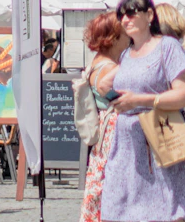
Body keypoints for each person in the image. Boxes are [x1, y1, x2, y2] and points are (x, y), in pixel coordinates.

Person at [100, 0, 185, 222]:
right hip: (125, 146)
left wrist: (141, 100)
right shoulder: (127, 53)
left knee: (160, 212)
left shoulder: (167, 47)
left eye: (132, 13)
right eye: (122, 15)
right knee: (118, 212)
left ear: (150, 15)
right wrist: (111, 94)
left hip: (157, 140)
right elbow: (108, 83)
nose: (126, 19)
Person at [78, 13, 125, 222]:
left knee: (101, 186)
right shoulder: (111, 68)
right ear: (114, 37)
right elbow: (107, 87)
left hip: (103, 134)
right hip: (115, 131)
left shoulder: (96, 63)